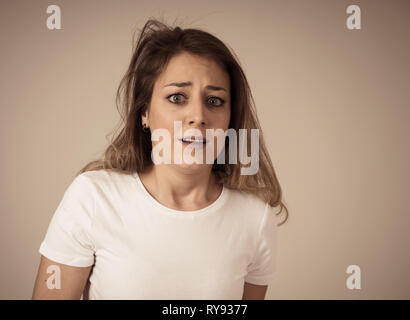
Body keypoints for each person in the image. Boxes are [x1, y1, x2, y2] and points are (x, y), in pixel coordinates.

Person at [32, 18, 288, 300]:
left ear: (230, 120)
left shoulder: (255, 218)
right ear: (144, 113)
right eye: (177, 97)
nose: (198, 116)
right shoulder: (93, 198)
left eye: (214, 101)